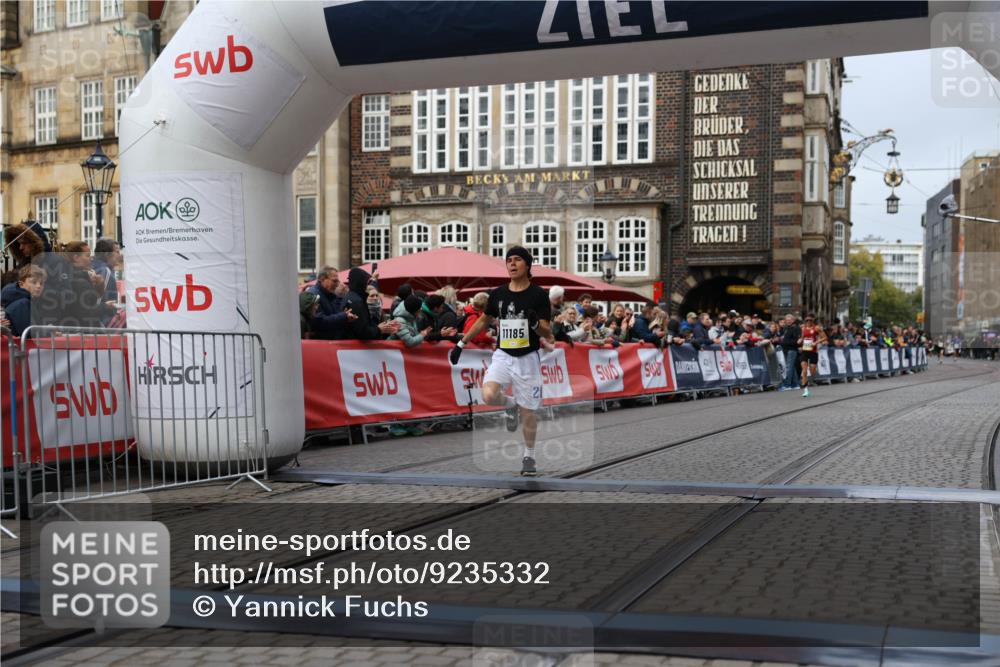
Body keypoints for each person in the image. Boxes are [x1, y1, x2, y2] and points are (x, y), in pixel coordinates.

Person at [450, 247, 552, 476]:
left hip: (528, 358)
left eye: (517, 260)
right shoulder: (498, 294)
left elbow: (548, 332)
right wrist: (461, 343)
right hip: (504, 355)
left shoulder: (538, 295)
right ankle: (510, 404)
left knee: (529, 411)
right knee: (488, 395)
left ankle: (529, 456)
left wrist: (536, 325)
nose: (512, 264)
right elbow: (483, 321)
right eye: (509, 261)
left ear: (527, 265)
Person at [4, 265, 46, 337]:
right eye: (34, 282)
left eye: (41, 283)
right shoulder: (22, 303)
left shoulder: (28, 302)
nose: (38, 286)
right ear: (21, 284)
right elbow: (28, 333)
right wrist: (49, 331)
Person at [797, 314, 827, 397]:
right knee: (804, 370)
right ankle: (805, 390)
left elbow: (825, 338)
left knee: (813, 370)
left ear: (813, 321)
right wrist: (800, 340)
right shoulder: (803, 328)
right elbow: (802, 337)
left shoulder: (817, 328)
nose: (808, 322)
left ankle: (811, 380)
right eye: (807, 320)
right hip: (805, 351)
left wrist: (816, 342)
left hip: (813, 351)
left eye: (810, 320)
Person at [779, 314, 801, 390]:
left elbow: (796, 341)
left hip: (792, 350)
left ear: (793, 320)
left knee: (789, 367)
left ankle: (787, 385)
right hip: (786, 349)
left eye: (790, 320)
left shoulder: (796, 328)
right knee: (792, 367)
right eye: (787, 320)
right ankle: (795, 384)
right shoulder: (786, 328)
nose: (788, 321)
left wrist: (785, 341)